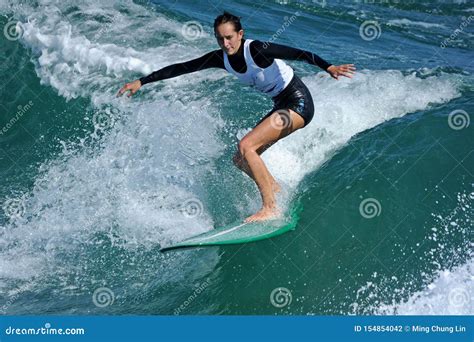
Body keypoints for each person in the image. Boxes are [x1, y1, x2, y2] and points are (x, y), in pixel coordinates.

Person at [118, 11, 355, 222]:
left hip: (298, 103)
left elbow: (299, 53)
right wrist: (142, 81)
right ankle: (276, 191)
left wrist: (328, 67)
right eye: (220, 38)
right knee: (240, 159)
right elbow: (183, 67)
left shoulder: (257, 50)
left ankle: (270, 208)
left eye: (229, 37)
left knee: (247, 145)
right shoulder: (220, 58)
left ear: (240, 34)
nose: (225, 43)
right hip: (281, 105)